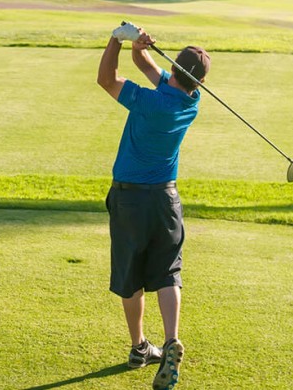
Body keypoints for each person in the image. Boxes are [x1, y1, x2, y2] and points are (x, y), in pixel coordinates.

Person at [94, 23, 208, 390]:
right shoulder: (190, 101)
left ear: (173, 68)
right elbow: (145, 65)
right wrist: (140, 47)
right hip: (166, 199)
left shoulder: (150, 101)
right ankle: (171, 341)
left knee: (131, 275)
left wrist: (115, 38)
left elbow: (106, 79)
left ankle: (139, 346)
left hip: (130, 198)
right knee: (167, 270)